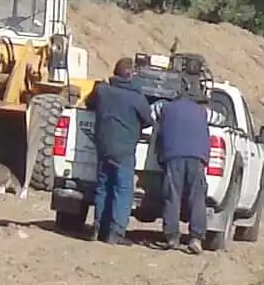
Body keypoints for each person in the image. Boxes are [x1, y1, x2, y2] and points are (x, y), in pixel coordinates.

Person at [87, 57, 150, 242]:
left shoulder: (102, 91)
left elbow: (88, 103)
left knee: (103, 186)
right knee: (122, 189)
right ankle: (116, 233)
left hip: (103, 146)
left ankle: (98, 228)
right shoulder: (136, 98)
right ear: (130, 75)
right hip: (124, 150)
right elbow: (147, 119)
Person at [153, 79, 214, 252]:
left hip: (173, 155)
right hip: (197, 157)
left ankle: (172, 237)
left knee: (172, 195)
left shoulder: (166, 108)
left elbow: (154, 121)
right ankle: (196, 238)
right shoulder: (202, 112)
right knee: (197, 197)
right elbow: (216, 120)